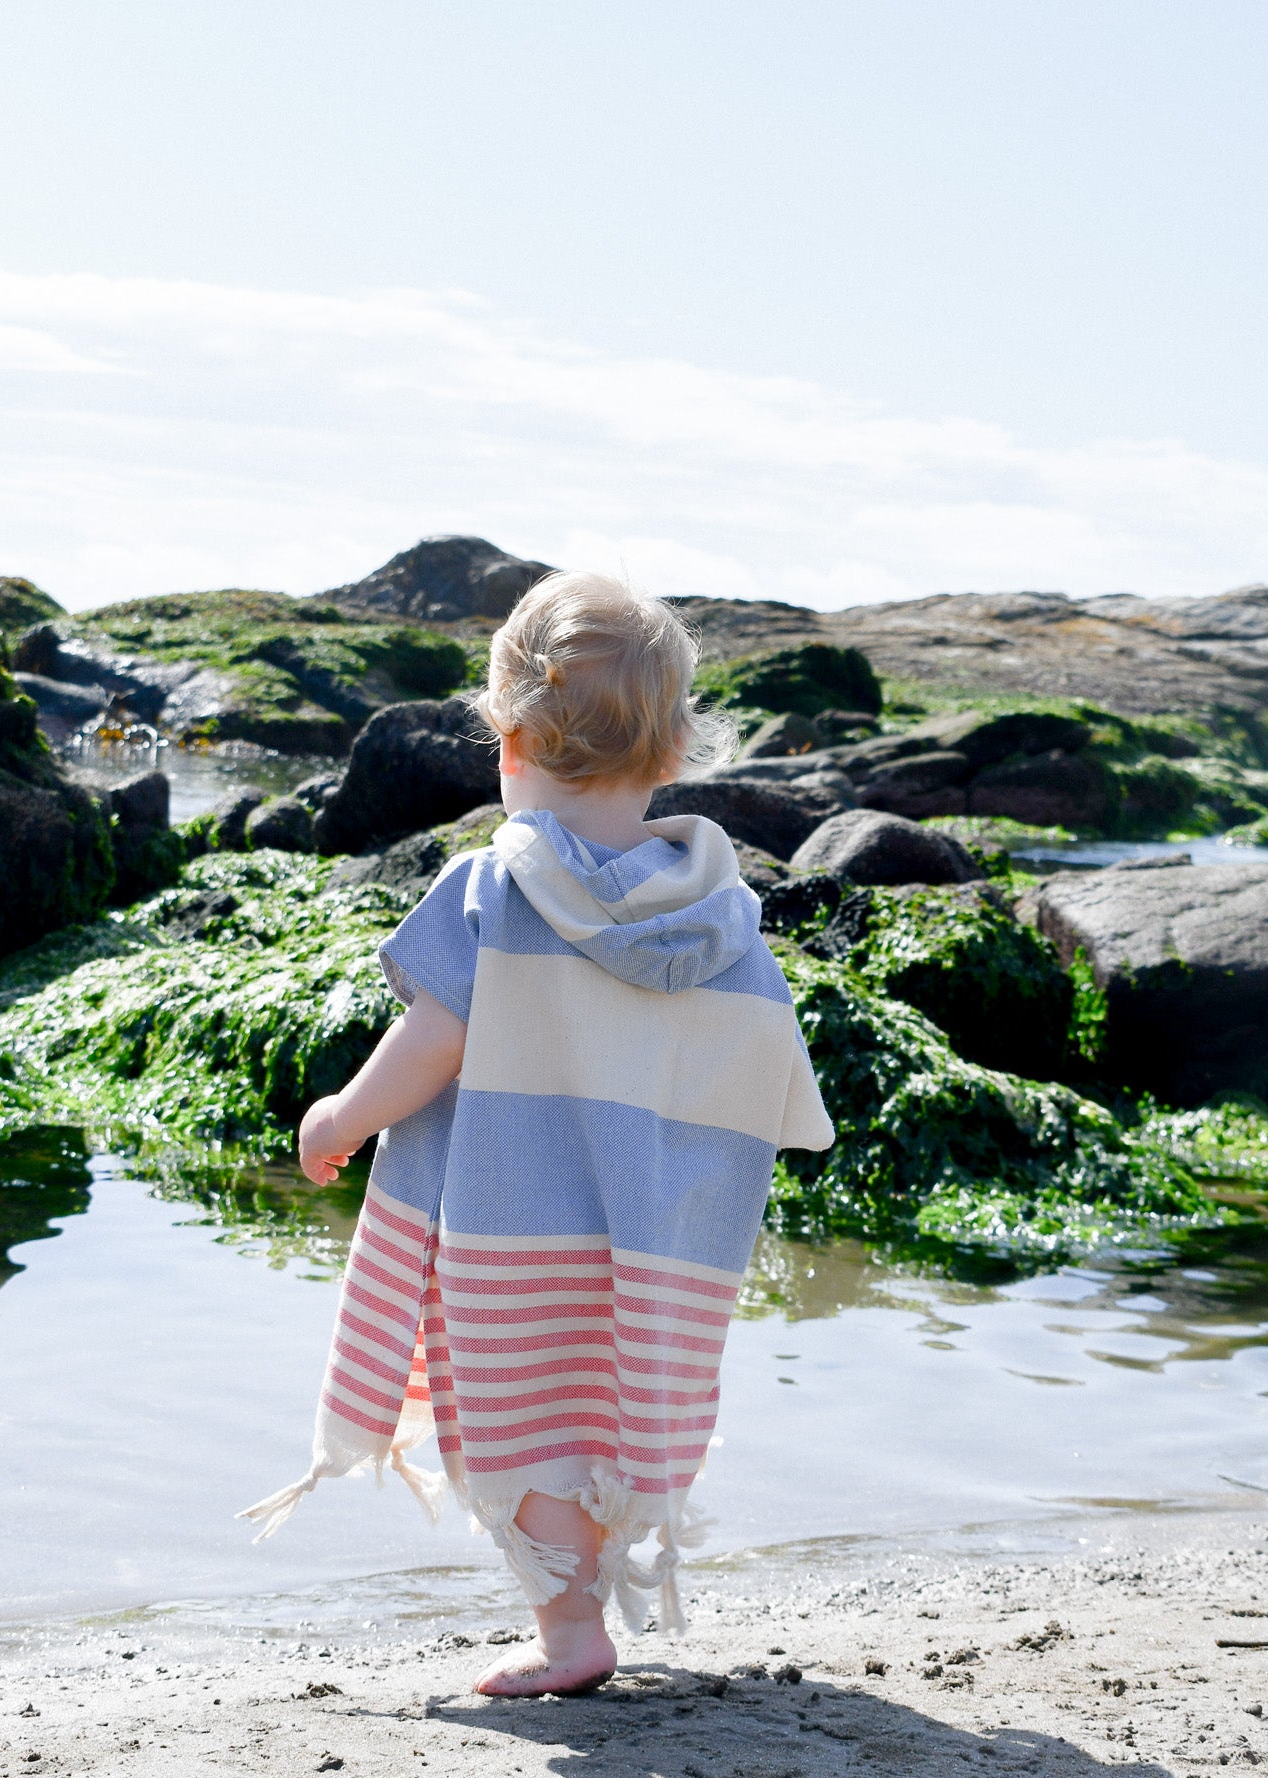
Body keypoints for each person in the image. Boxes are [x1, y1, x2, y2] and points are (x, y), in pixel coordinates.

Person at [240, 571, 833, 1697]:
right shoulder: (716, 909)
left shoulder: (496, 890)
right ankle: (588, 1608)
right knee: (605, 1404)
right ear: (672, 755)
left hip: (513, 1227)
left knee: (511, 1421)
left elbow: (436, 1035)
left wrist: (340, 1117)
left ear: (508, 735)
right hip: (654, 1236)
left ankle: (572, 1631)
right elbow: (760, 1059)